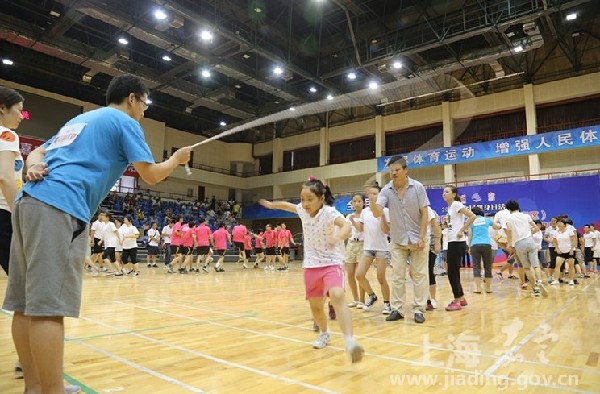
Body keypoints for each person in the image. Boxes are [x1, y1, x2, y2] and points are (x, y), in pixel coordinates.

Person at [2, 74, 191, 394]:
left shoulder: (81, 120)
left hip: (26, 204)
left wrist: (34, 166)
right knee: (48, 307)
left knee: (22, 304)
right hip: (59, 207)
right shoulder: (125, 122)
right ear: (132, 98)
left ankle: (35, 387)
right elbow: (151, 175)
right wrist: (175, 159)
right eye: (145, 103)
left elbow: (37, 153)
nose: (144, 110)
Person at [259, 176, 364, 363]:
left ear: (321, 199)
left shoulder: (330, 213)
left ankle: (350, 341)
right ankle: (325, 333)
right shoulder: (302, 210)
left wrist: (338, 236)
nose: (305, 203)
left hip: (332, 262)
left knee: (338, 296)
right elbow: (287, 206)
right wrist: (271, 205)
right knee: (316, 309)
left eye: (310, 199)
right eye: (302, 199)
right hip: (311, 265)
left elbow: (347, 226)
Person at [371, 155, 430, 324]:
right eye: (391, 171)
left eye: (397, 170)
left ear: (405, 170)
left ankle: (419, 309)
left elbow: (425, 213)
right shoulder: (386, 190)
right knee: (397, 275)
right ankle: (397, 309)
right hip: (397, 240)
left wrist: (421, 236)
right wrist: (374, 202)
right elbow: (377, 213)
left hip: (418, 238)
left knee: (419, 275)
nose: (394, 173)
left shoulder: (417, 187)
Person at [354, 182, 391, 314]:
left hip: (382, 248)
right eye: (369, 194)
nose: (371, 196)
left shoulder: (386, 211)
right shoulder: (364, 212)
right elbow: (362, 230)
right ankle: (372, 295)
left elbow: (387, 231)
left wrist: (381, 215)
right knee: (359, 275)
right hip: (368, 248)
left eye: (374, 194)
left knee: (381, 278)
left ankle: (387, 304)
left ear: (380, 196)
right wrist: (353, 221)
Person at [442, 185, 476, 311]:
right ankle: (461, 298)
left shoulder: (456, 204)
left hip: (457, 242)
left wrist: (462, 230)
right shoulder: (450, 207)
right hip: (452, 242)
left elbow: (472, 216)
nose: (444, 194)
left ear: (454, 194)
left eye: (446, 192)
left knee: (452, 273)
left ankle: (457, 300)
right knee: (454, 272)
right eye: (443, 192)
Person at [504, 200, 548, 297]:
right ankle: (540, 281)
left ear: (508, 209)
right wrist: (528, 235)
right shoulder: (526, 216)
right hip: (530, 242)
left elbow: (509, 232)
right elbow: (536, 228)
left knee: (527, 268)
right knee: (536, 265)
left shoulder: (509, 219)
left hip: (519, 244)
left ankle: (535, 288)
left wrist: (510, 245)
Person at [344, 193, 366, 308]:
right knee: (350, 274)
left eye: (359, 201)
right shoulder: (348, 216)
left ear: (363, 203)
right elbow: (346, 231)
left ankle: (362, 300)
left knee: (360, 274)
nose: (356, 203)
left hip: (362, 244)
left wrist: (353, 221)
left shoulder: (366, 215)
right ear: (351, 204)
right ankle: (356, 299)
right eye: (354, 201)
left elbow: (362, 230)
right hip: (351, 244)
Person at [467, 206, 495, 293]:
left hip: (475, 245)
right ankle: (488, 288)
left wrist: (469, 246)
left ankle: (478, 288)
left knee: (476, 266)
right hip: (487, 244)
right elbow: (497, 226)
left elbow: (470, 235)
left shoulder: (471, 221)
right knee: (487, 266)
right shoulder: (486, 219)